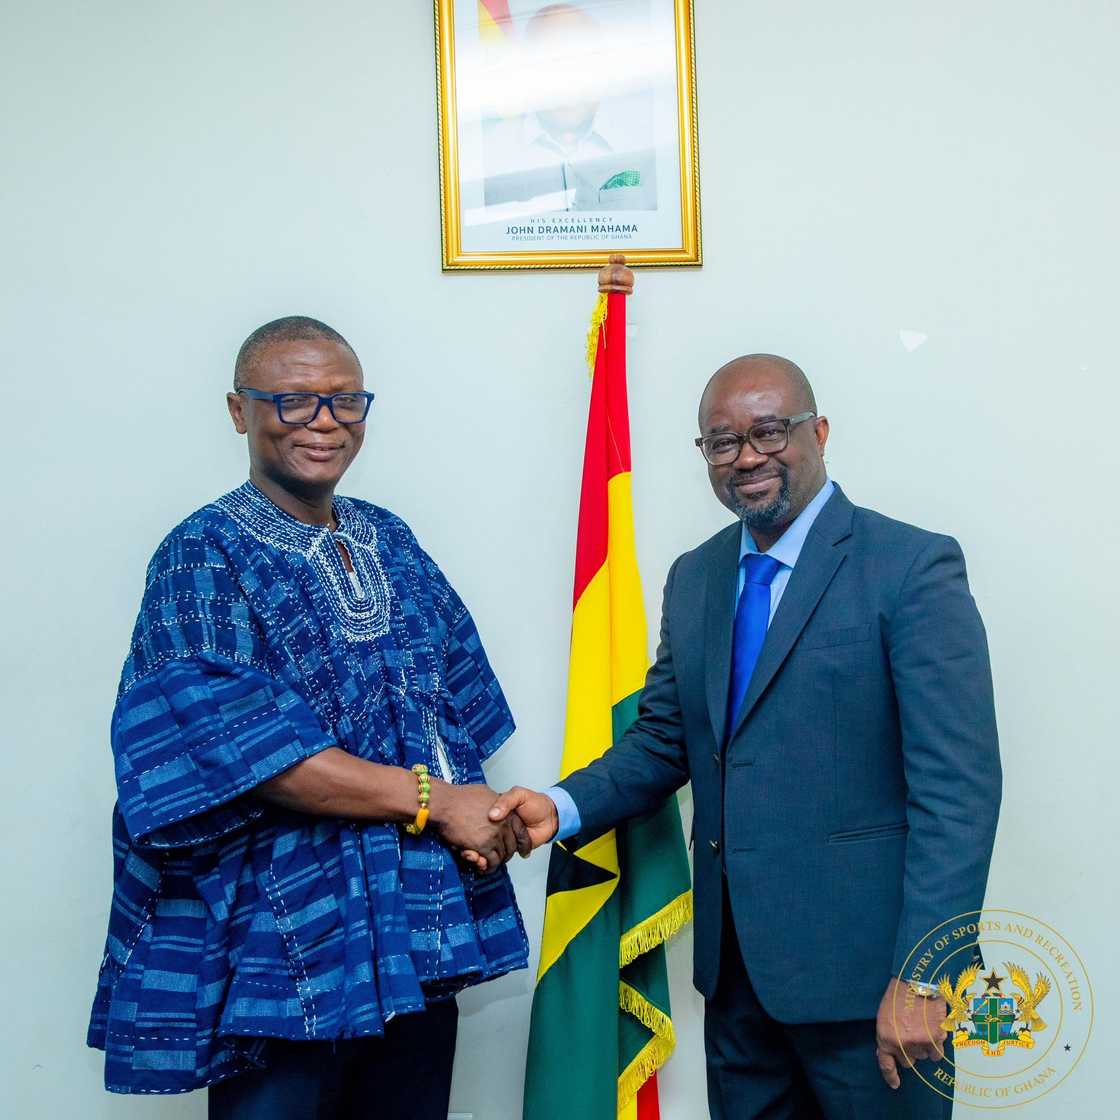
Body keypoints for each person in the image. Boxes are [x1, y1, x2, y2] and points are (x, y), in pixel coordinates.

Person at [481, 355, 1002, 1119]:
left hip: (875, 989)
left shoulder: (910, 567)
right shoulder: (698, 577)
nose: (748, 456)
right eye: (722, 442)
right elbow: (664, 740)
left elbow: (959, 792)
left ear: (818, 432)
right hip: (737, 985)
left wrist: (926, 972)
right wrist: (557, 807)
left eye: (769, 431)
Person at [86, 316, 529, 1117]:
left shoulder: (390, 539)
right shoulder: (203, 553)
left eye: (345, 401)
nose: (325, 422)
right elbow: (243, 752)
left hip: (417, 927)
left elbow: (451, 712)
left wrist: (481, 818)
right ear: (238, 409)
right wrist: (439, 803)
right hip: (286, 944)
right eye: (293, 402)